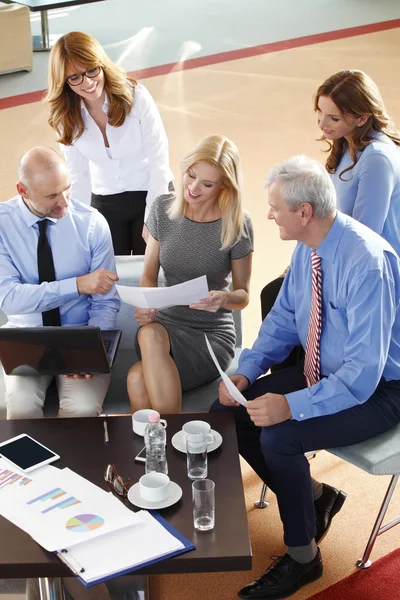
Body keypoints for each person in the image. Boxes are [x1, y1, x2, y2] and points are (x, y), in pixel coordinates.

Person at [211, 155, 400, 600]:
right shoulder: (308, 249)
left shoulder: (367, 263)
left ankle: (303, 559)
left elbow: (362, 374)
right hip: (324, 371)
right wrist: (248, 370)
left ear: (304, 212)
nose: (270, 213)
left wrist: (292, 405)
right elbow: (283, 321)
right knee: (234, 411)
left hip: (381, 389)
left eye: (275, 206)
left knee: (280, 437)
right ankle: (315, 496)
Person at [260, 69, 400, 369]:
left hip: (365, 270)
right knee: (278, 294)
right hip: (335, 252)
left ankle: (303, 383)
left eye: (333, 118)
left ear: (362, 118)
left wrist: (315, 262)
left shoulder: (377, 158)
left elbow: (365, 235)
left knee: (279, 296)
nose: (323, 124)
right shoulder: (348, 147)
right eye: (320, 114)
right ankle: (300, 375)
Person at [127, 134, 253, 414]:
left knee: (138, 378)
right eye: (191, 176)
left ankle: (163, 448)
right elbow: (148, 274)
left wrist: (222, 299)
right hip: (165, 325)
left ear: (224, 188)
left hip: (210, 335)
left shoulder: (238, 225)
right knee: (148, 339)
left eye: (207, 184)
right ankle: (170, 449)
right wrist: (146, 304)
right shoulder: (162, 208)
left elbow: (243, 295)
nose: (193, 188)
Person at [0, 147, 120, 419]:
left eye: (67, 189)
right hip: (24, 338)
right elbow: (9, 299)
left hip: (81, 335)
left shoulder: (92, 223)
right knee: (21, 408)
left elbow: (106, 301)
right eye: (52, 196)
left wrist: (92, 350)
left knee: (83, 408)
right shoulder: (1, 225)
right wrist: (76, 285)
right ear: (23, 190)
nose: (64, 202)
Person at [45, 31, 173, 255]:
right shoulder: (65, 118)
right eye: (75, 78)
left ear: (101, 64)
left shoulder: (137, 96)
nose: (88, 83)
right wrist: (80, 225)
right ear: (63, 82)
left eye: (92, 70)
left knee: (152, 271)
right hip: (106, 199)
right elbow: (79, 176)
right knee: (112, 272)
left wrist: (153, 215)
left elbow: (159, 159)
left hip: (151, 188)